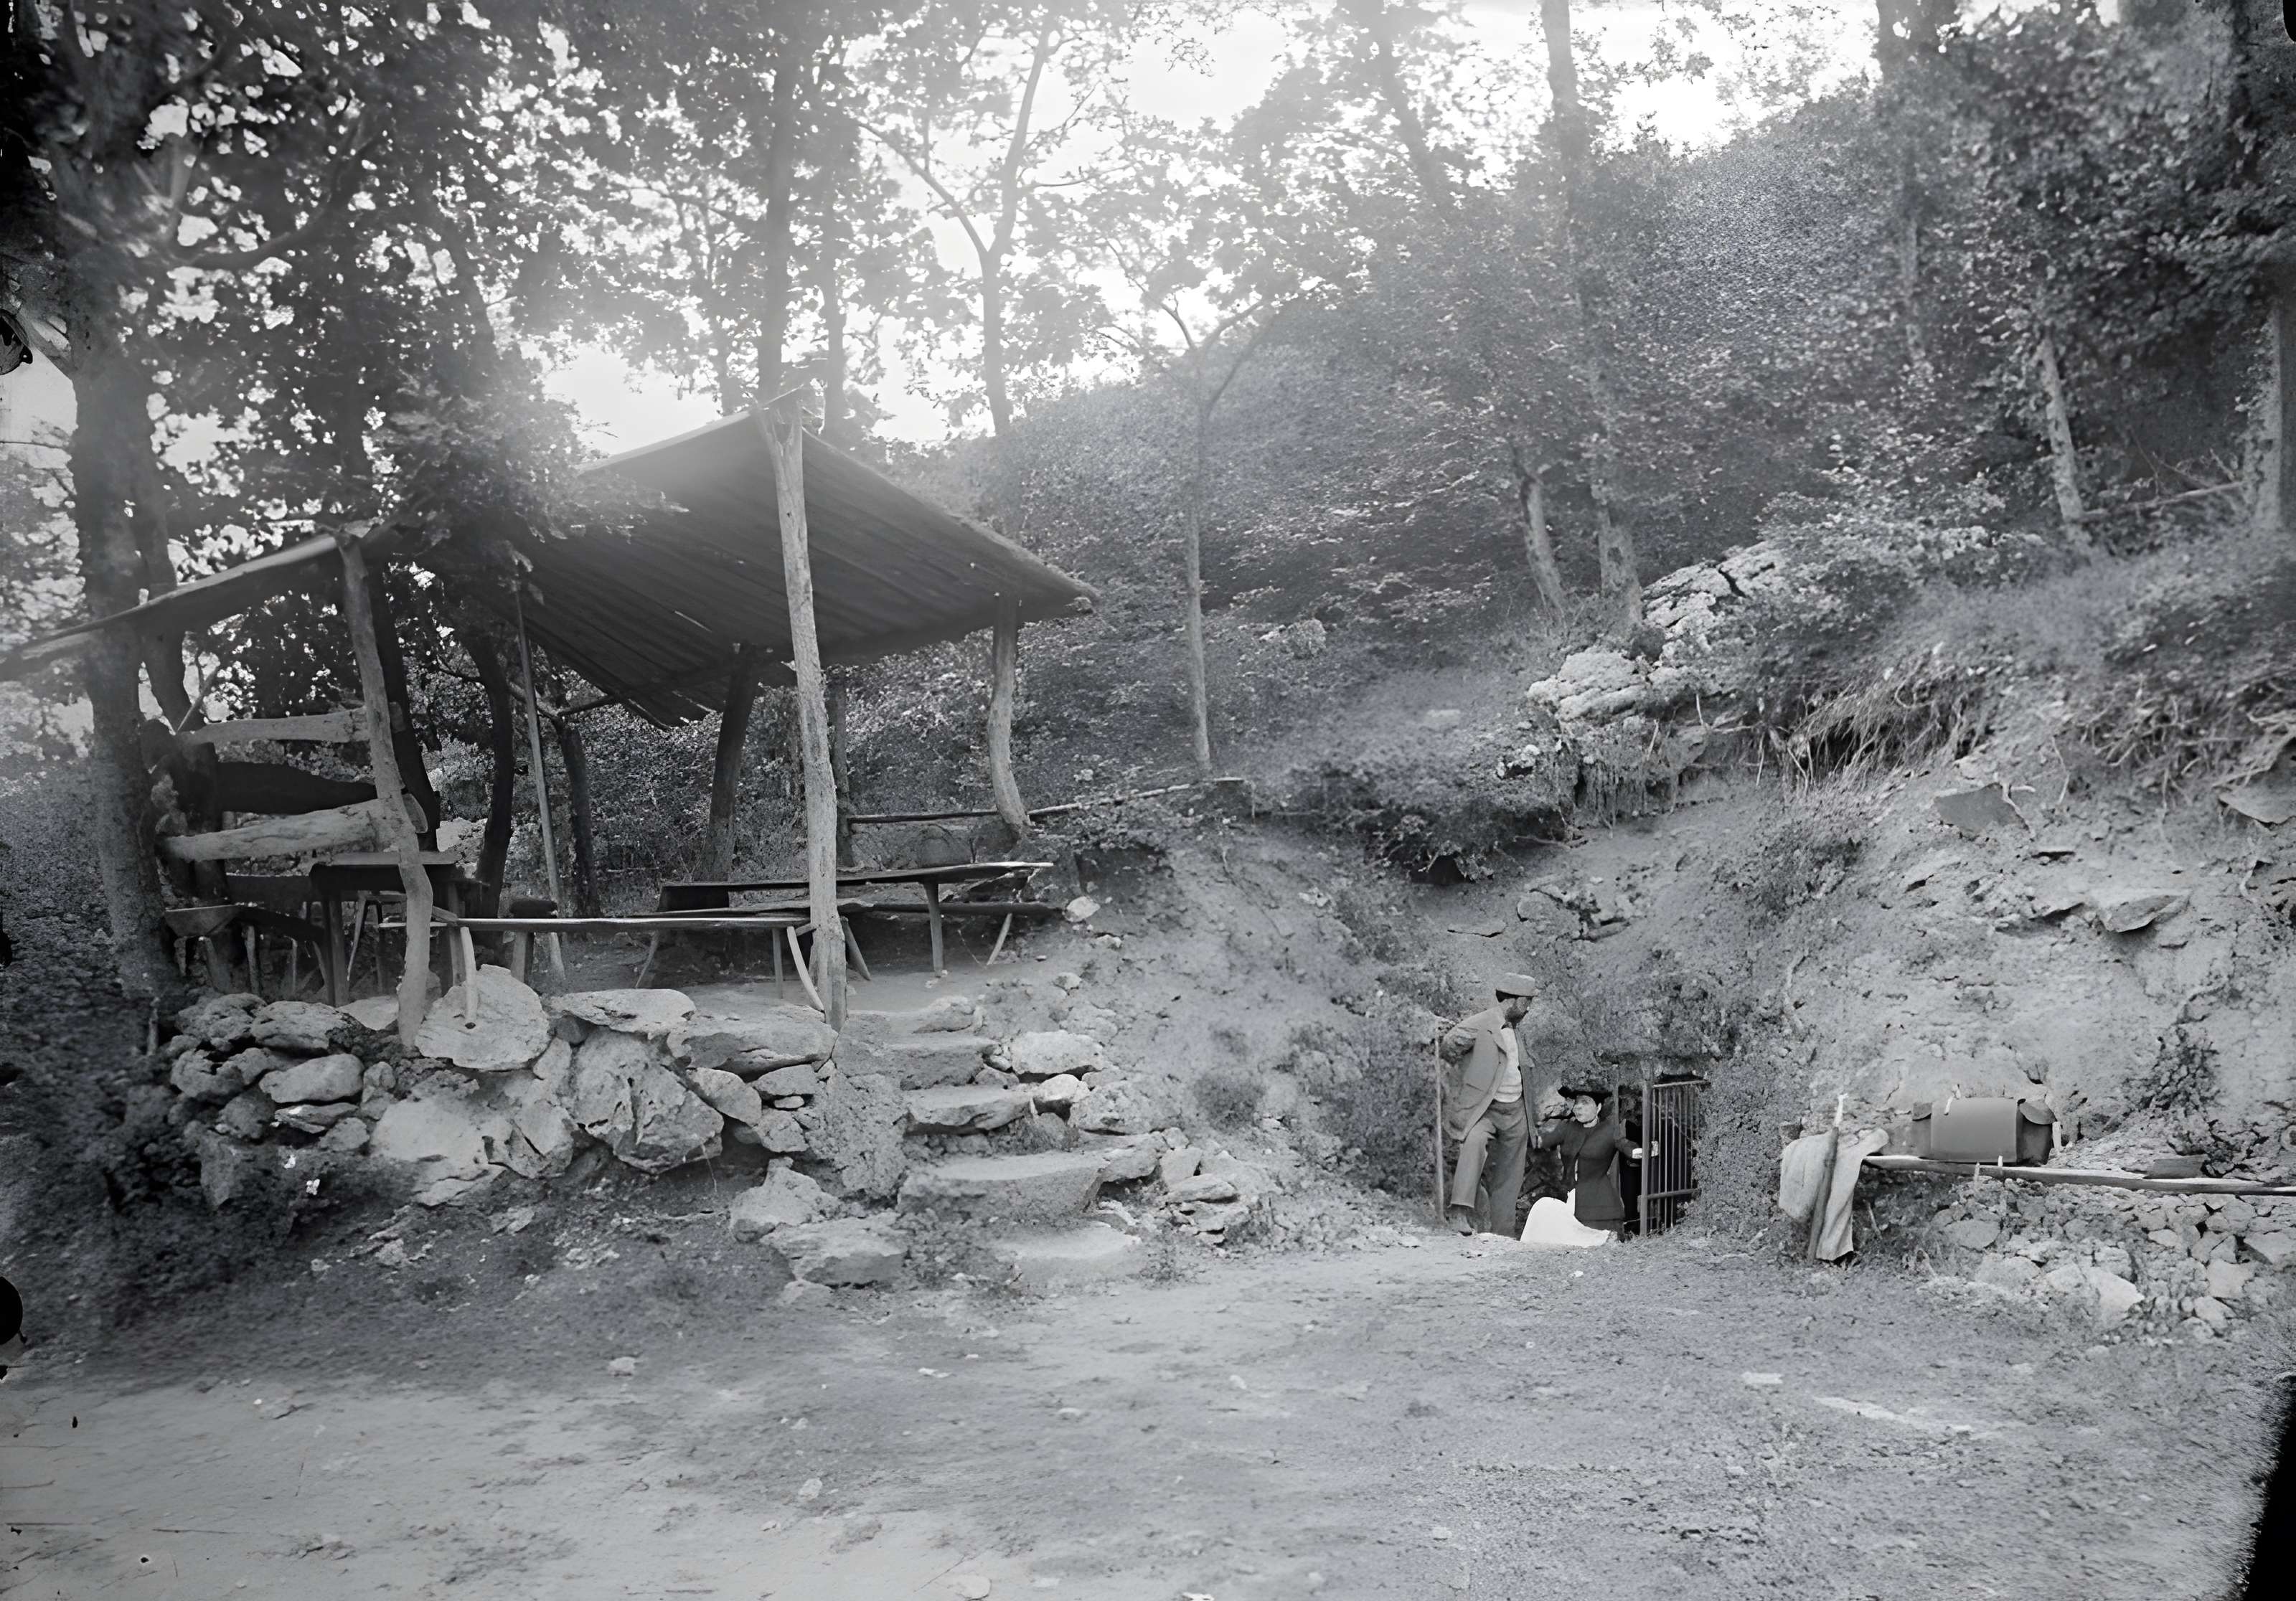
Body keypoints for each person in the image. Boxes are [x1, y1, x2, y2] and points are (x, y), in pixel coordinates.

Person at [1436, 973, 1538, 1236]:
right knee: (1474, 1143)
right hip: (1487, 1108)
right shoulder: (1481, 1023)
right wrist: (1466, 1080)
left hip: (1517, 1109)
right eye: (1526, 1002)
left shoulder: (1516, 1029)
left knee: (1511, 1174)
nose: (1529, 1008)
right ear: (1512, 1000)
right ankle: (1459, 1212)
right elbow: (1449, 1046)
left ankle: (1503, 1232)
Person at [1531, 1086, 1644, 1237]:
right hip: (1570, 1196)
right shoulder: (1568, 1128)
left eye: (1585, 1103)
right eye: (1577, 1103)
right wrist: (1531, 1139)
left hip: (1599, 1204)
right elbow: (1544, 1141)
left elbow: (1624, 1144)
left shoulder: (1609, 1130)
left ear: (1598, 1108)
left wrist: (1637, 1152)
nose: (1578, 1107)